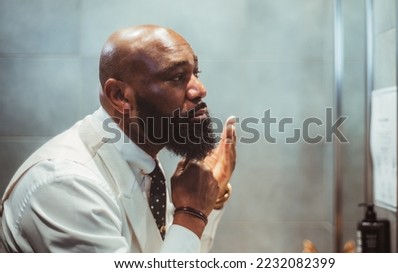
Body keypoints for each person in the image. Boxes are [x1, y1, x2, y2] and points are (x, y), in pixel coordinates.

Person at [0, 24, 237, 253]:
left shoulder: (144, 162)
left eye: (195, 73)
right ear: (120, 96)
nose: (200, 89)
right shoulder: (65, 184)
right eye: (177, 77)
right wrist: (190, 213)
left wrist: (209, 197)